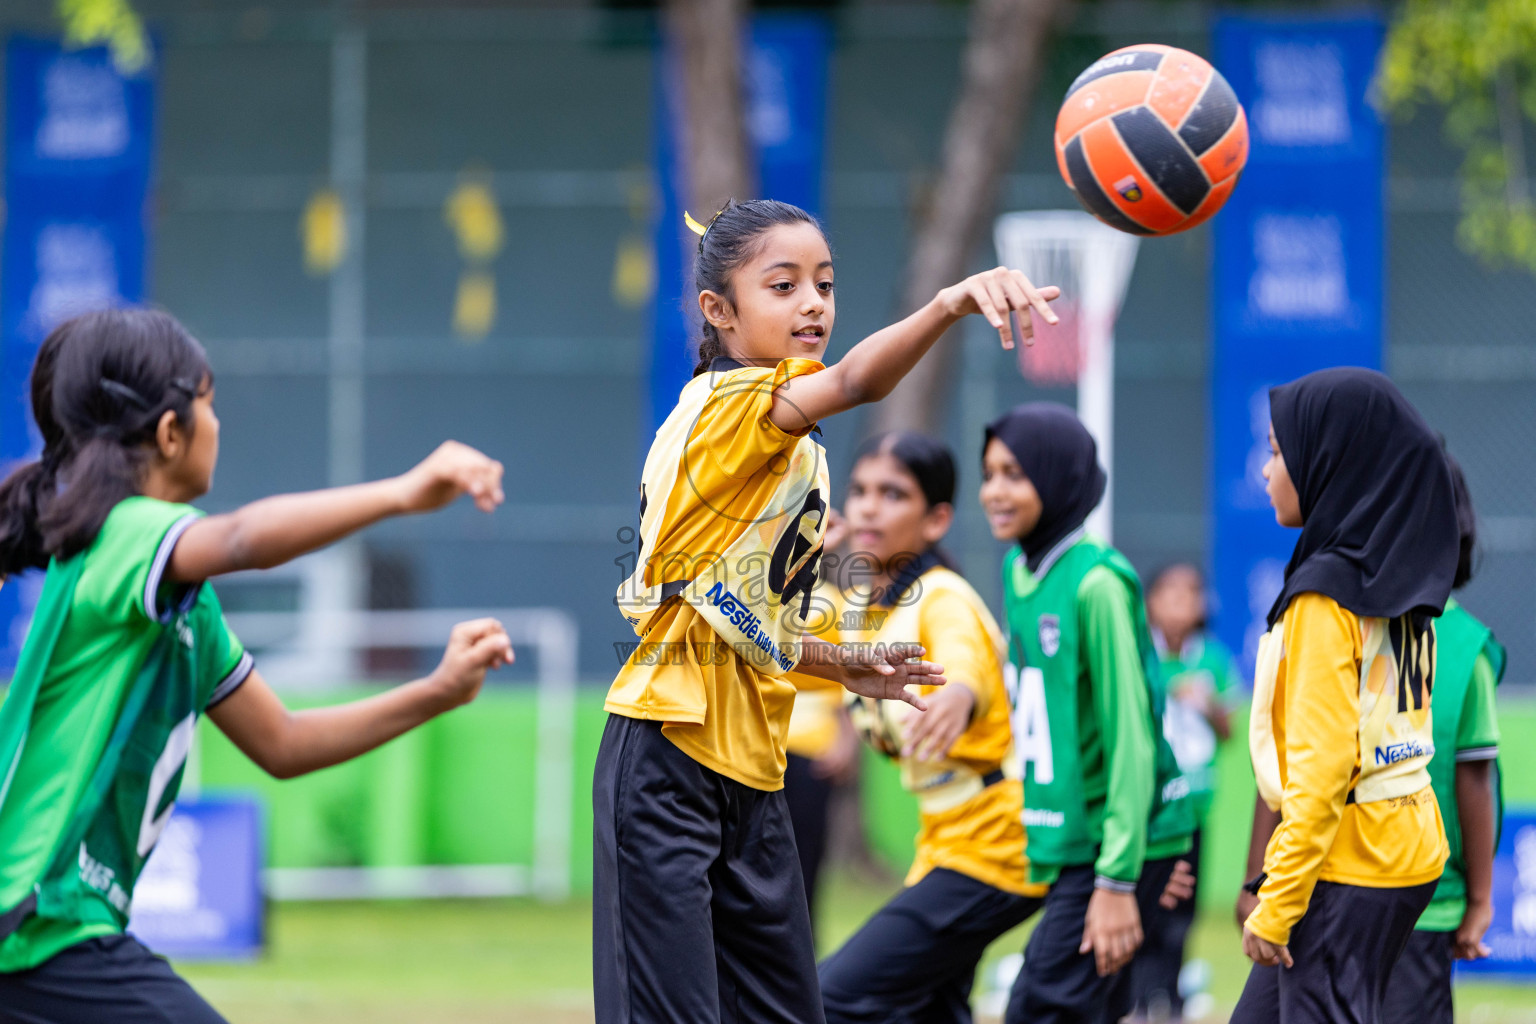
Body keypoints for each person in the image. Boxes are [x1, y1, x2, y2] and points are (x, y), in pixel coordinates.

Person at [595, 198, 1060, 1024]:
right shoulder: (733, 405)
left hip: (754, 773)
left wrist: (841, 663)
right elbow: (859, 379)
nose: (813, 303)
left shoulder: (781, 444)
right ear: (719, 312)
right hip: (667, 760)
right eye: (783, 285)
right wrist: (951, 300)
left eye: (825, 283)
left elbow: (741, 621)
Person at [0, 309, 513, 1023]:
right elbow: (242, 539)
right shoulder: (122, 535)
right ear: (170, 434)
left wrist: (437, 692)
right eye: (209, 404)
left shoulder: (185, 610)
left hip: (50, 938)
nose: (219, 424)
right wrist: (402, 492)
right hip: (35, 928)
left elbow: (284, 743)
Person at [1231, 367, 1457, 1024]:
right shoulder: (1398, 579)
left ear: (1330, 461)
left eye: (1279, 452)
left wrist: (1278, 906)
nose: (1265, 472)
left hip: (1348, 867)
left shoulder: (1324, 598)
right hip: (1405, 849)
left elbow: (1324, 773)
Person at [815, 432, 1047, 1024]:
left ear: (937, 518)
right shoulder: (867, 608)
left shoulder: (941, 596)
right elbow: (783, 643)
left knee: (830, 998)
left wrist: (961, 696)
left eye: (893, 493)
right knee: (927, 1011)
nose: (868, 506)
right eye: (861, 490)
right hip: (946, 843)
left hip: (999, 844)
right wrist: (804, 561)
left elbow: (966, 656)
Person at [982, 404, 1194, 1024]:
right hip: (1077, 842)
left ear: (1058, 477)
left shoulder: (1097, 584)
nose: (994, 490)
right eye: (989, 472)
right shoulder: (1019, 570)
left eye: (1015, 474)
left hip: (1114, 845)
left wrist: (1122, 880)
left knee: (1039, 1007)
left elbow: (1132, 737)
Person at [1388, 451, 1502, 1023]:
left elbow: (1475, 778)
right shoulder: (1334, 624)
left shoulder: (1464, 649)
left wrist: (1480, 901)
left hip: (1425, 909)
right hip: (1327, 898)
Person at [1129, 563, 1244, 1020]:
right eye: (1170, 593)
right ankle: (1136, 1001)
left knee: (1182, 913)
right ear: (1151, 602)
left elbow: (1229, 730)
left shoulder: (1211, 658)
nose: (1181, 603)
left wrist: (1208, 703)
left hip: (1194, 810)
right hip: (1148, 811)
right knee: (1144, 907)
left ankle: (1172, 1003)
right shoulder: (1140, 654)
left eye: (1191, 594)